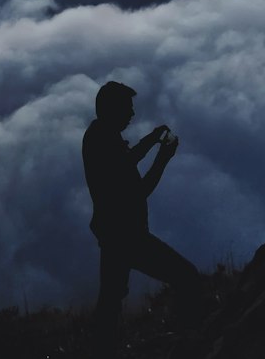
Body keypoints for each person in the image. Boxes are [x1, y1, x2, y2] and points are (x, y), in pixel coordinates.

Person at [82, 81, 201, 358]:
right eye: (127, 108)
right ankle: (187, 344)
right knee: (187, 278)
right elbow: (140, 191)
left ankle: (101, 350)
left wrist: (150, 140)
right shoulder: (105, 140)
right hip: (128, 237)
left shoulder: (98, 135)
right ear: (112, 110)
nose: (132, 114)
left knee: (110, 301)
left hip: (112, 235)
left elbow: (124, 161)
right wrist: (163, 157)